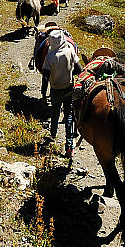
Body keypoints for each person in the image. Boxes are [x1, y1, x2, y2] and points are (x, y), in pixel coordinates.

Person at [41, 28, 82, 158]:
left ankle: (53, 135)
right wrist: (69, 72)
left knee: (55, 112)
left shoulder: (50, 57)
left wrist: (43, 95)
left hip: (55, 89)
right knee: (69, 115)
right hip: (69, 88)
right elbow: (79, 70)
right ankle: (69, 145)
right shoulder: (70, 51)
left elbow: (45, 77)